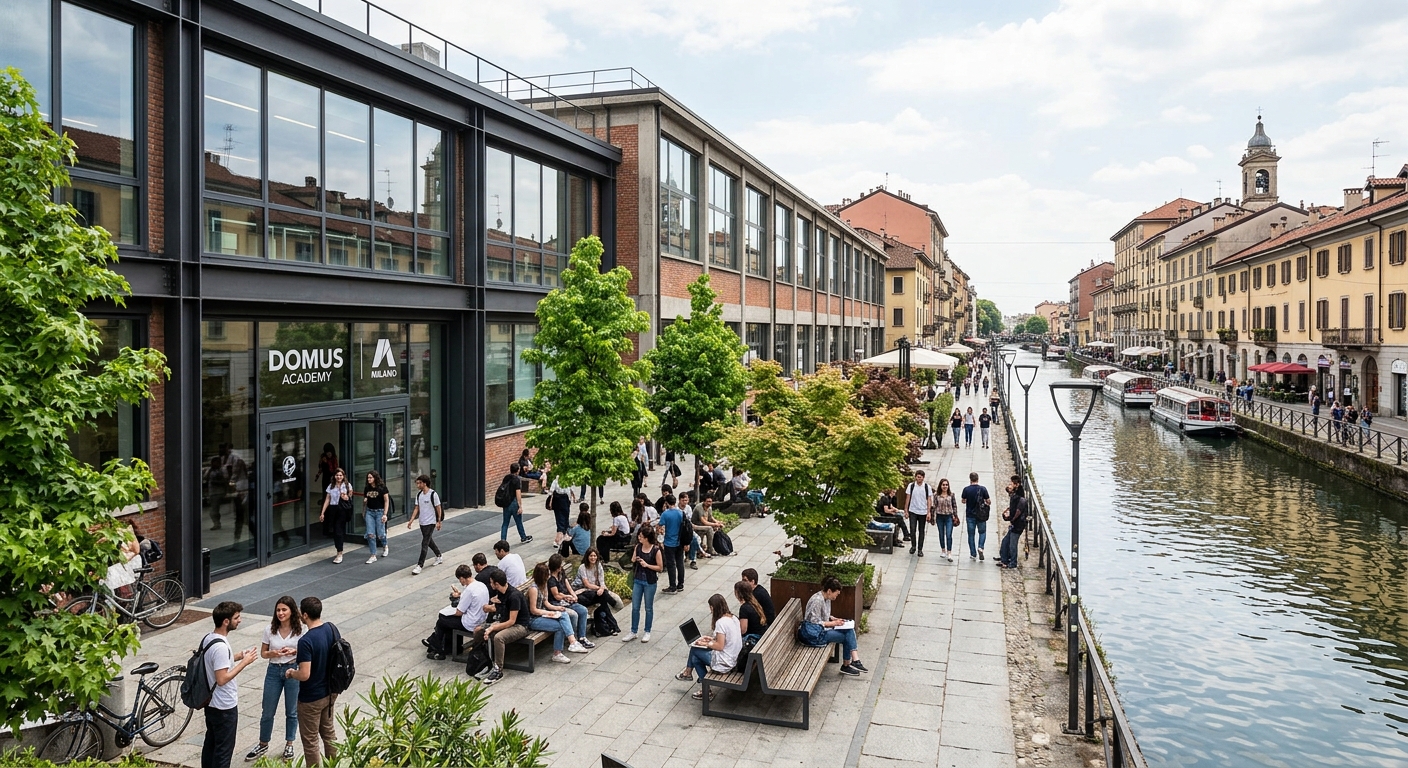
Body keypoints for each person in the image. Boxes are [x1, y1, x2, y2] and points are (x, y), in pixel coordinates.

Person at [243, 596, 302, 763]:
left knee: (292, 711)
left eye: (284, 610)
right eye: (278, 610)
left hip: (292, 669)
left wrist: (294, 652)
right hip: (274, 670)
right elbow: (263, 653)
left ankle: (289, 743)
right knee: (267, 710)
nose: (281, 613)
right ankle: (263, 743)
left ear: (292, 611)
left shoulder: (300, 630)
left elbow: (306, 651)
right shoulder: (269, 629)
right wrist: (273, 653)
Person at [201, 601, 257, 768]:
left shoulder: (209, 638)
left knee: (211, 744)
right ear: (226, 621)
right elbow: (222, 678)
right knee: (223, 751)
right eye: (236, 617)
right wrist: (245, 662)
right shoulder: (221, 647)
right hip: (224, 706)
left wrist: (238, 656)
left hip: (210, 703)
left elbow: (216, 663)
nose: (239, 620)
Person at [286, 597, 337, 766]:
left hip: (311, 698)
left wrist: (291, 673)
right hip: (330, 691)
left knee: (310, 740)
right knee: (329, 734)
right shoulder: (331, 628)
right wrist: (299, 652)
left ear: (305, 615)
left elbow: (304, 674)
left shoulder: (306, 641)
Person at [674, 593, 742, 700]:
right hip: (733, 657)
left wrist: (706, 644)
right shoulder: (734, 618)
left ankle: (690, 674)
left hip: (724, 663)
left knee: (694, 650)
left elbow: (720, 646)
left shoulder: (721, 622)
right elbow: (726, 639)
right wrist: (711, 639)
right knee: (695, 657)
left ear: (713, 607)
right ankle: (690, 675)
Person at [800, 576, 866, 676]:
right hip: (815, 635)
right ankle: (850, 663)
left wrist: (833, 618)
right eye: (836, 594)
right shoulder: (817, 600)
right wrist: (834, 624)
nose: (836, 596)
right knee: (847, 636)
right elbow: (814, 622)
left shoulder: (826, 598)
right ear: (829, 591)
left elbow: (822, 615)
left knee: (849, 630)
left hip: (820, 631)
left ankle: (852, 662)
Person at [526, 562, 589, 663]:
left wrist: (556, 608)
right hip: (533, 619)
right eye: (547, 575)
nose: (548, 577)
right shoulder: (534, 589)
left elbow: (546, 603)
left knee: (563, 614)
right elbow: (533, 610)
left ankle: (572, 642)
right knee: (559, 626)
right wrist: (548, 613)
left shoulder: (544, 585)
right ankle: (558, 653)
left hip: (543, 614)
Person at [425, 565, 488, 660]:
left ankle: (438, 649)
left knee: (442, 620)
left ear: (462, 578)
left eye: (460, 580)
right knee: (446, 621)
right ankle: (444, 646)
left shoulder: (469, 590)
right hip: (481, 619)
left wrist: (448, 612)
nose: (460, 582)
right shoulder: (481, 585)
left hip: (471, 623)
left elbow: (459, 612)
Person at [482, 570, 531, 685]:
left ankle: (498, 670)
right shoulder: (501, 592)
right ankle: (484, 661)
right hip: (505, 621)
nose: (490, 584)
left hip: (520, 626)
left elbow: (511, 621)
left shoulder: (514, 596)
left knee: (498, 637)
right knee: (479, 631)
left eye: (491, 582)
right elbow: (501, 611)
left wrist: (493, 628)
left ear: (496, 584)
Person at [622, 526, 663, 643]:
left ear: (647, 538)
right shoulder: (638, 547)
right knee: (635, 607)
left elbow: (660, 568)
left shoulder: (656, 550)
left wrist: (647, 565)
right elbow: (632, 559)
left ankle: (647, 631)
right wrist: (635, 558)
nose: (639, 538)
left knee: (648, 608)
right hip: (638, 580)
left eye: (641, 536)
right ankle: (633, 631)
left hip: (650, 582)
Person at [547, 553, 595, 650]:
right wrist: (566, 596)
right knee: (573, 615)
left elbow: (567, 585)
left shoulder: (561, 573)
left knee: (583, 610)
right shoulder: (551, 580)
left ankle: (582, 637)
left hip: (567, 601)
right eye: (560, 564)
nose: (562, 566)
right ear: (557, 567)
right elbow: (556, 596)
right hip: (557, 603)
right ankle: (573, 639)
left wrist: (573, 595)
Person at [406, 474, 443, 575]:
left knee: (424, 543)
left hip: (431, 522)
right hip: (422, 522)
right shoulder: (419, 495)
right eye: (417, 483)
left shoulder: (433, 494)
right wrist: (411, 520)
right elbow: (416, 508)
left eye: (419, 483)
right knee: (429, 541)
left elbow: (438, 508)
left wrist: (439, 521)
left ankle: (419, 565)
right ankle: (439, 555)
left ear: (425, 483)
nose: (417, 485)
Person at [318, 468, 352, 564]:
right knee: (335, 531)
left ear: (343, 476)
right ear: (334, 476)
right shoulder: (331, 486)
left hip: (342, 509)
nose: (339, 477)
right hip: (333, 509)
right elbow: (327, 499)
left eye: (340, 475)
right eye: (337, 475)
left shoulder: (347, 485)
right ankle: (339, 549)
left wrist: (345, 497)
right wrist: (322, 512)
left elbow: (350, 497)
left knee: (338, 530)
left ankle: (339, 553)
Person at [497, 463, 532, 544]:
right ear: (518, 470)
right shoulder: (516, 480)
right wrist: (520, 506)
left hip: (506, 503)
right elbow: (518, 493)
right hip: (514, 503)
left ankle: (503, 540)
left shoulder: (506, 478)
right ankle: (523, 537)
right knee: (518, 522)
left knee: (505, 523)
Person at [999, 476, 1028, 569]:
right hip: (1015, 524)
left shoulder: (1020, 499)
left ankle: (1013, 562)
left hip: (1018, 525)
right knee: (1005, 542)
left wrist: (1011, 519)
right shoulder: (1015, 495)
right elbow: (1008, 491)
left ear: (1016, 485)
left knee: (1012, 544)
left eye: (1011, 484)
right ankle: (1004, 559)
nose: (1009, 485)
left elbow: (1018, 511)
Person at [960, 472, 991, 560]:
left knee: (971, 535)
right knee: (982, 532)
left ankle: (973, 554)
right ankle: (980, 547)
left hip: (970, 515)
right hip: (981, 515)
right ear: (978, 479)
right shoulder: (983, 489)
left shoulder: (966, 489)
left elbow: (963, 500)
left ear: (970, 479)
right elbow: (988, 501)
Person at [659, 495, 686, 593]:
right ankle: (680, 584)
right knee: (680, 563)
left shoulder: (665, 514)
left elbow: (660, 526)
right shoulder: (681, 513)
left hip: (669, 542)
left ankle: (672, 586)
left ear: (667, 503)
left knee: (671, 564)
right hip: (679, 542)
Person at [361, 471, 389, 564]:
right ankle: (373, 555)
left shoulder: (382, 488)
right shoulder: (367, 488)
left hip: (380, 512)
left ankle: (385, 545)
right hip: (370, 512)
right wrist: (364, 508)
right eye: (368, 478)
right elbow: (365, 500)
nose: (369, 479)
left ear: (375, 478)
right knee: (370, 534)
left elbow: (386, 501)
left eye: (370, 478)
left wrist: (385, 514)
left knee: (380, 534)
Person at [905, 470, 932, 557]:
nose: (919, 479)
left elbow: (929, 500)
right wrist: (906, 510)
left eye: (920, 477)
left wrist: (928, 512)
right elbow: (908, 498)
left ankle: (920, 549)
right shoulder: (911, 486)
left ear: (923, 478)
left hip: (923, 511)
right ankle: (913, 546)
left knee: (921, 530)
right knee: (912, 529)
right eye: (917, 477)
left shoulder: (927, 487)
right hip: (913, 510)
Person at [548, 473, 574, 550]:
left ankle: (561, 535)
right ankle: (561, 535)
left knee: (559, 518)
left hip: (557, 500)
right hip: (565, 499)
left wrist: (550, 502)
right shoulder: (567, 480)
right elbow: (569, 491)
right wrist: (571, 499)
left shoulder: (556, 480)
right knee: (565, 517)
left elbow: (551, 491)